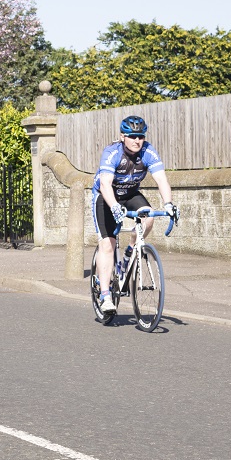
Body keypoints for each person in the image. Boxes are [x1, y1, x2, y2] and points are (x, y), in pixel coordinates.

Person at [91, 115, 178, 313]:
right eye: (132, 136)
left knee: (148, 217)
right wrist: (113, 206)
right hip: (106, 196)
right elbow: (105, 184)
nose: (137, 140)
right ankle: (105, 295)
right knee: (108, 243)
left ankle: (131, 249)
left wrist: (169, 204)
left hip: (130, 193)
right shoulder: (112, 153)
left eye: (140, 136)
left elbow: (161, 180)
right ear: (123, 136)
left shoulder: (148, 151)